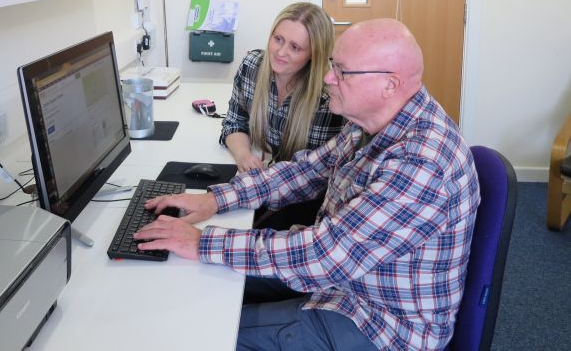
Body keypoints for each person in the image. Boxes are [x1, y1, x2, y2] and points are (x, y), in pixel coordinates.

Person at [135, 18, 480, 351]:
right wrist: (216, 201)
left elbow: (325, 255)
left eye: (342, 71)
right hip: (344, 279)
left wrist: (203, 242)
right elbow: (307, 172)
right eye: (334, 65)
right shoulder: (371, 122)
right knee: (199, 280)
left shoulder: (422, 161)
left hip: (379, 323)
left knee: (206, 330)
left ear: (388, 84)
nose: (328, 77)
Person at [221, 2, 344, 172]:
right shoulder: (252, 67)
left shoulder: (329, 97)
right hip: (265, 176)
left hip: (302, 189)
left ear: (313, 55)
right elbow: (235, 122)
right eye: (278, 39)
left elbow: (319, 172)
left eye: (295, 47)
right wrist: (243, 155)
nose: (280, 52)